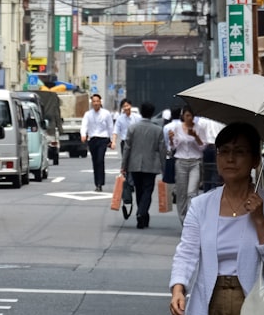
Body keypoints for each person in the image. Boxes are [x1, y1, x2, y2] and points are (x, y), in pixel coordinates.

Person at [168, 122, 264, 315]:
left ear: (256, 160)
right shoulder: (202, 205)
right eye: (224, 151)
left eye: (240, 151)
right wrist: (178, 288)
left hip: (255, 308)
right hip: (210, 307)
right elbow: (187, 251)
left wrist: (259, 220)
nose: (230, 158)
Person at [119, 101, 167, 229]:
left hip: (134, 164)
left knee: (139, 190)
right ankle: (142, 213)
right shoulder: (157, 130)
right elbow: (162, 150)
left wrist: (124, 165)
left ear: (140, 112)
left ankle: (142, 214)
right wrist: (164, 167)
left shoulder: (133, 128)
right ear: (152, 114)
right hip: (151, 165)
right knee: (147, 190)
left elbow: (127, 148)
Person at [166, 106, 207, 223]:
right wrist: (171, 139)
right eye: (187, 115)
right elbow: (174, 146)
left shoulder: (199, 128)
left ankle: (191, 220)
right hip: (181, 161)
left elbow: (203, 147)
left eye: (191, 116)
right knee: (181, 193)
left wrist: (195, 137)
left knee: (192, 192)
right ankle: (183, 220)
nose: (189, 118)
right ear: (183, 116)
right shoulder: (177, 127)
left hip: (195, 161)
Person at [79, 94, 114, 192]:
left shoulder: (106, 113)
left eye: (97, 101)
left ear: (100, 102)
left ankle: (100, 182)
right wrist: (83, 134)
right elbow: (84, 125)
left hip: (103, 139)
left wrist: (112, 140)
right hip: (92, 139)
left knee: (100, 160)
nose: (96, 103)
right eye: (94, 101)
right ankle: (97, 184)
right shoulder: (88, 114)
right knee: (95, 161)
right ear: (91, 103)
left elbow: (110, 126)